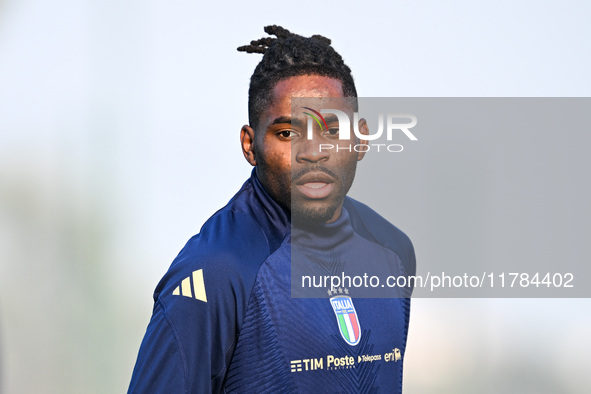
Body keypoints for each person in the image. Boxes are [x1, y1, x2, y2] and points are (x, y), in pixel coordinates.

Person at [128, 25, 416, 393]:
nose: (313, 152)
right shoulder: (216, 271)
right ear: (250, 145)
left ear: (360, 140)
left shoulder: (392, 251)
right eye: (287, 133)